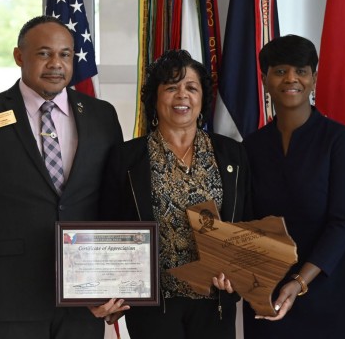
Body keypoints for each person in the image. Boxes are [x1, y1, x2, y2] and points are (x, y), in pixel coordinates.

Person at [0, 16, 126, 339]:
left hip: (84, 300)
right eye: (44, 54)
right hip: (8, 300)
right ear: (19, 56)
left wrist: (116, 287)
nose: (56, 64)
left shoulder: (102, 116)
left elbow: (115, 203)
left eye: (65, 54)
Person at [100, 49, 251, 339]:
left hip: (215, 302)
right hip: (154, 305)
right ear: (155, 100)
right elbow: (109, 225)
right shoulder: (126, 157)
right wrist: (108, 290)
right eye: (171, 88)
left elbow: (247, 220)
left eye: (191, 88)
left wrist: (240, 272)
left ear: (202, 98)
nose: (182, 95)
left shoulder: (232, 153)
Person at [241, 34, 345, 338]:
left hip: (334, 284)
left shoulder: (339, 140)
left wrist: (299, 281)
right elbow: (247, 223)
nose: (291, 79)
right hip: (270, 287)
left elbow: (343, 222)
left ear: (314, 78)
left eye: (301, 71)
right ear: (265, 79)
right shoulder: (250, 147)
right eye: (280, 70)